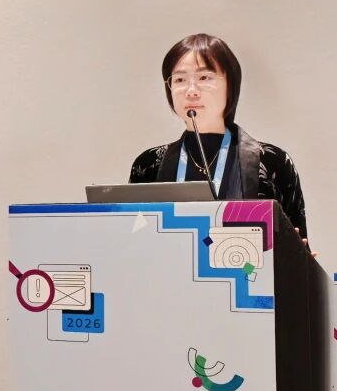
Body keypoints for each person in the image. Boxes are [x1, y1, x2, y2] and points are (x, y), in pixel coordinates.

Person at [129, 33, 309, 241]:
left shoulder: (273, 162)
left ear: (230, 84)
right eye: (179, 80)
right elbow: (135, 241)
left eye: (204, 77)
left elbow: (299, 250)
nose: (191, 91)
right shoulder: (148, 164)